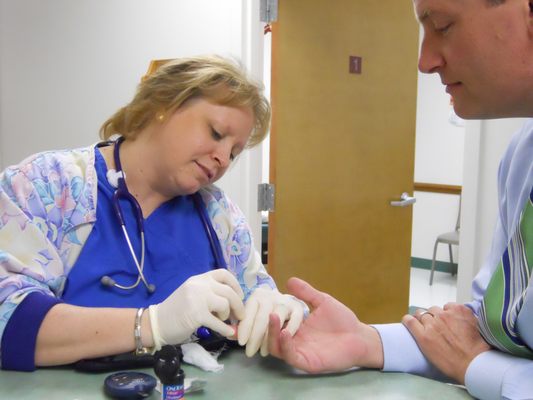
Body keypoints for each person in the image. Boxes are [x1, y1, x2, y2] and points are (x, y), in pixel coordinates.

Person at [267, 1, 533, 399]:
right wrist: (364, 341)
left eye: (442, 26)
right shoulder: (520, 157)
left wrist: (476, 365)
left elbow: (473, 352)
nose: (424, 62)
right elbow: (478, 330)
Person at [0, 55, 306, 371]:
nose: (223, 159)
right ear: (163, 106)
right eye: (216, 133)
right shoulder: (47, 186)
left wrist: (282, 311)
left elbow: (260, 296)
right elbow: (7, 321)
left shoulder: (219, 216)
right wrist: (152, 325)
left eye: (234, 152)